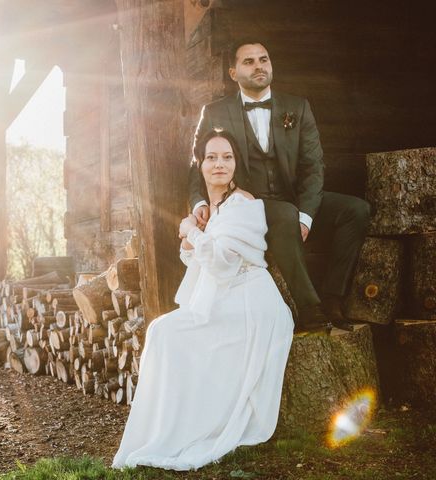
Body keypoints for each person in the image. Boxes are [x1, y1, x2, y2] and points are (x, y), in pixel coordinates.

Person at [111, 129, 294, 471]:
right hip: (228, 296)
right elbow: (203, 260)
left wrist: (190, 231)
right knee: (162, 332)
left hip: (251, 304)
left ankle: (185, 428)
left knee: (167, 333)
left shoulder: (244, 204)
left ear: (237, 164)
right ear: (201, 165)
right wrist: (193, 233)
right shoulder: (214, 207)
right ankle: (166, 425)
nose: (219, 164)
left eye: (227, 157)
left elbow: (223, 262)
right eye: (212, 157)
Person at [188, 40, 370, 332]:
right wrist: (200, 205)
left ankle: (334, 298)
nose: (259, 66)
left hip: (293, 199)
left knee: (356, 210)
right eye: (249, 62)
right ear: (233, 73)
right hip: (249, 206)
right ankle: (310, 309)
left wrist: (307, 215)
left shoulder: (297, 107)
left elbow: (313, 167)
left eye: (264, 59)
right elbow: (197, 167)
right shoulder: (214, 112)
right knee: (284, 213)